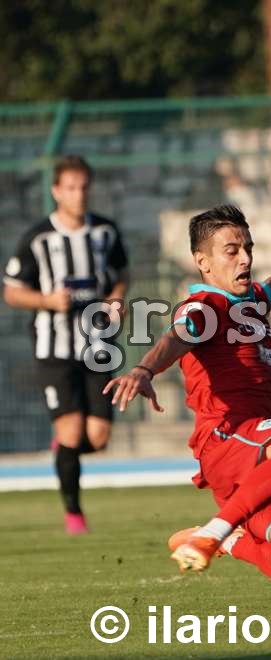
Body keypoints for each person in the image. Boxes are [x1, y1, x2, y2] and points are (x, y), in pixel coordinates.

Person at [104, 155, 271, 583]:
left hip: (253, 455)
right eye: (232, 251)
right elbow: (177, 337)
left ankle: (230, 539)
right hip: (226, 438)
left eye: (248, 249)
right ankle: (215, 530)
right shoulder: (205, 306)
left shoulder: (251, 301)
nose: (245, 259)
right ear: (203, 262)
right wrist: (145, 369)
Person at [3, 155, 129, 534]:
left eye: (84, 187)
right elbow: (12, 291)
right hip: (54, 349)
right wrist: (46, 300)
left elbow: (121, 274)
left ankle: (65, 451)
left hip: (97, 346)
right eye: (71, 188)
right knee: (71, 430)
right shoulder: (39, 239)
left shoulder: (105, 232)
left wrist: (116, 299)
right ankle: (74, 514)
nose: (78, 194)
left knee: (98, 438)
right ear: (56, 191)